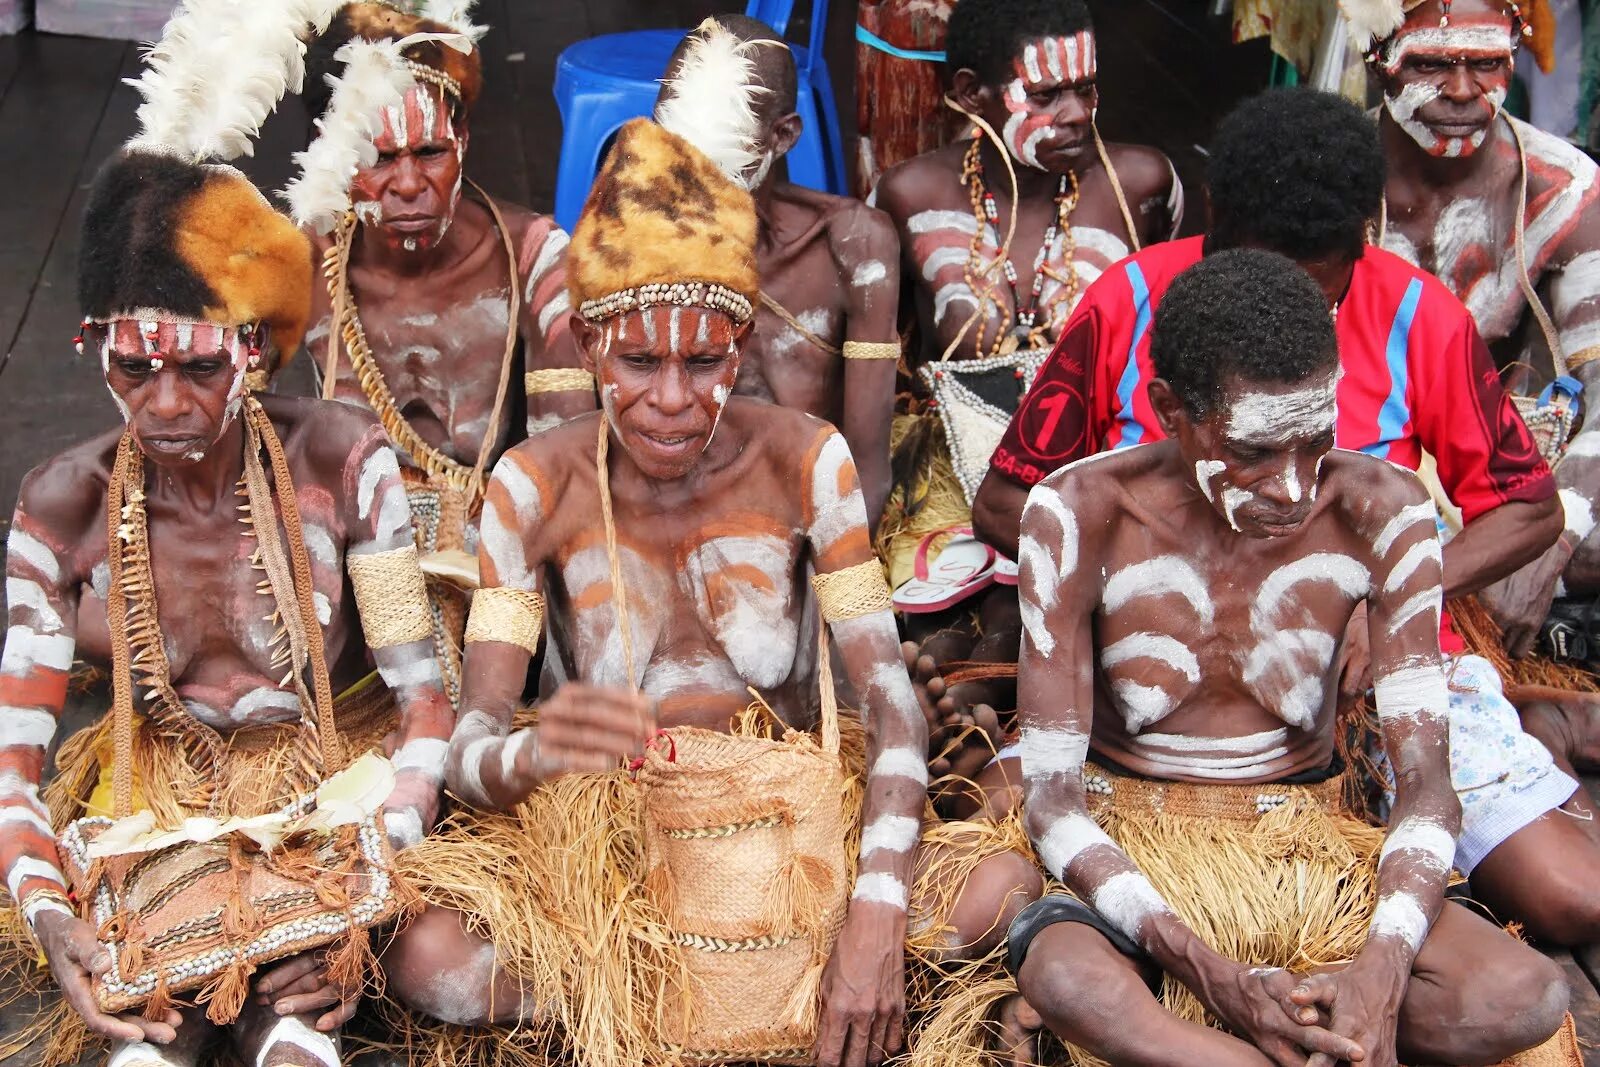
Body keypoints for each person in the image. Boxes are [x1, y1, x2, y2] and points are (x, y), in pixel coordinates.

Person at [373, 113, 1039, 1067]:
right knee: (426, 950)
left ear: (742, 347)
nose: (674, 397)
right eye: (640, 362)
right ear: (594, 349)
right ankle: (661, 1000)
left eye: (704, 361)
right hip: (614, 853)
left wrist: (875, 915)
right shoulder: (533, 485)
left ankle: (733, 1002)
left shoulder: (808, 461)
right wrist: (534, 752)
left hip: (797, 829)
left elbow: (893, 709)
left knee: (1001, 886)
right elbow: (471, 747)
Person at [974, 87, 1600, 950]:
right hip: (1146, 685)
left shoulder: (1421, 315)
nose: (1284, 312)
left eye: (1318, 295)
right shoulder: (1125, 303)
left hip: (1369, 674)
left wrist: (1383, 605)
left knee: (1568, 897)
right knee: (979, 879)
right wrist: (1126, 597)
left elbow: (1527, 508)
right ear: (1218, 232)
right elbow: (1006, 499)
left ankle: (1534, 723)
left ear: (1362, 243)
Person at [0, 8, 454, 1066]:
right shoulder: (60, 503)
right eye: (132, 368)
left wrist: (356, 895)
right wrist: (54, 917)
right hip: (149, 816)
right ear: (91, 350)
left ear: (255, 353)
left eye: (197, 367)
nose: (162, 402)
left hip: (327, 803)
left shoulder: (346, 461)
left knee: (295, 1038)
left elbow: (425, 703)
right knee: (151, 1046)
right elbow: (13, 768)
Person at [1008, 246, 1567, 1067]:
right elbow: (1052, 802)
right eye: (1254, 452)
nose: (1294, 488)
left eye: (1316, 442)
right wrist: (1213, 972)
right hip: (1139, 849)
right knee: (1065, 973)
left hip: (1311, 849)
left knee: (1528, 996)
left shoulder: (1385, 510)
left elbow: (1427, 787)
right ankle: (1263, 1041)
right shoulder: (1078, 513)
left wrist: (1379, 971)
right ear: (1170, 408)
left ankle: (1284, 1025)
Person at [868, 0, 1182, 710]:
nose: (1076, 114)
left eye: (1087, 90)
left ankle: (982, 708)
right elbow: (885, 364)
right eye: (1045, 95)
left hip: (1100, 465)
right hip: (958, 471)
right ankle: (961, 701)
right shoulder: (909, 194)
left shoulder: (1142, 187)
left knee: (1029, 607)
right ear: (969, 93)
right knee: (945, 604)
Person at [299, 1, 579, 703]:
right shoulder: (303, 262)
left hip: (498, 534)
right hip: (351, 542)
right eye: (376, 157)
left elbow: (565, 446)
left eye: (430, 152)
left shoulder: (535, 255)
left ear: (464, 138)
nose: (407, 185)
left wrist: (501, 547)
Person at [527, 15, 902, 527]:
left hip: (812, 519)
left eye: (715, 152)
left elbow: (868, 466)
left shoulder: (852, 245)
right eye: (674, 142)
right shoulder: (621, 248)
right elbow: (578, 445)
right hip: (660, 525)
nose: (685, 173)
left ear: (783, 135)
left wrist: (834, 577)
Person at [1352, 0, 1600, 667]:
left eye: (1487, 63)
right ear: (1380, 64)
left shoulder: (1561, 189)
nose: (1463, 91)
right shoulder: (1328, 174)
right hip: (1355, 474)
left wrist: (1555, 537)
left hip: (1505, 483)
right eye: (1432, 64)